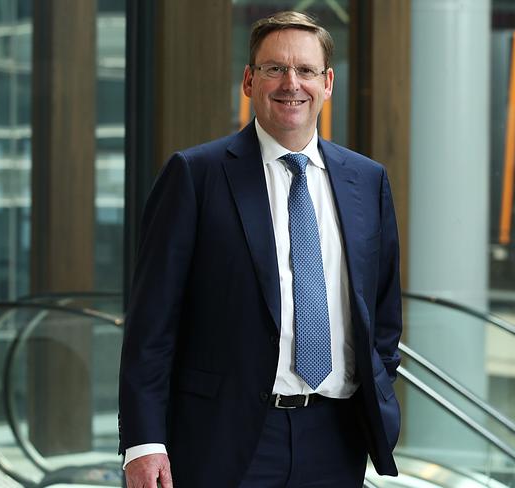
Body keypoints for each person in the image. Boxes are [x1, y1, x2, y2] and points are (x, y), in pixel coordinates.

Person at [118, 10, 402, 488]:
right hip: (224, 439)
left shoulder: (366, 180)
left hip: (337, 437)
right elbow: (151, 325)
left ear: (327, 83)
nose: (291, 83)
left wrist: (377, 388)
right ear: (249, 81)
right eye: (274, 68)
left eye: (306, 70)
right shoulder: (195, 175)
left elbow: (383, 311)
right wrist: (144, 443)